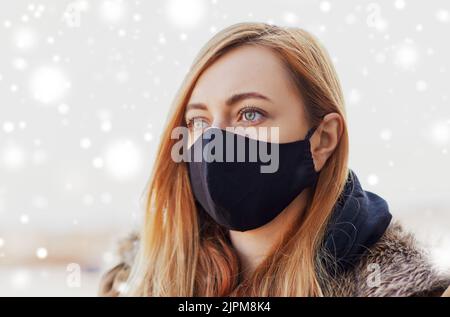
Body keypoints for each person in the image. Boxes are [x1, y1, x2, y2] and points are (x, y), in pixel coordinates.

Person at [98, 22, 450, 297]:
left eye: (250, 114)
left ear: (323, 139)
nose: (214, 141)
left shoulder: (414, 289)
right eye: (199, 121)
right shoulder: (135, 280)